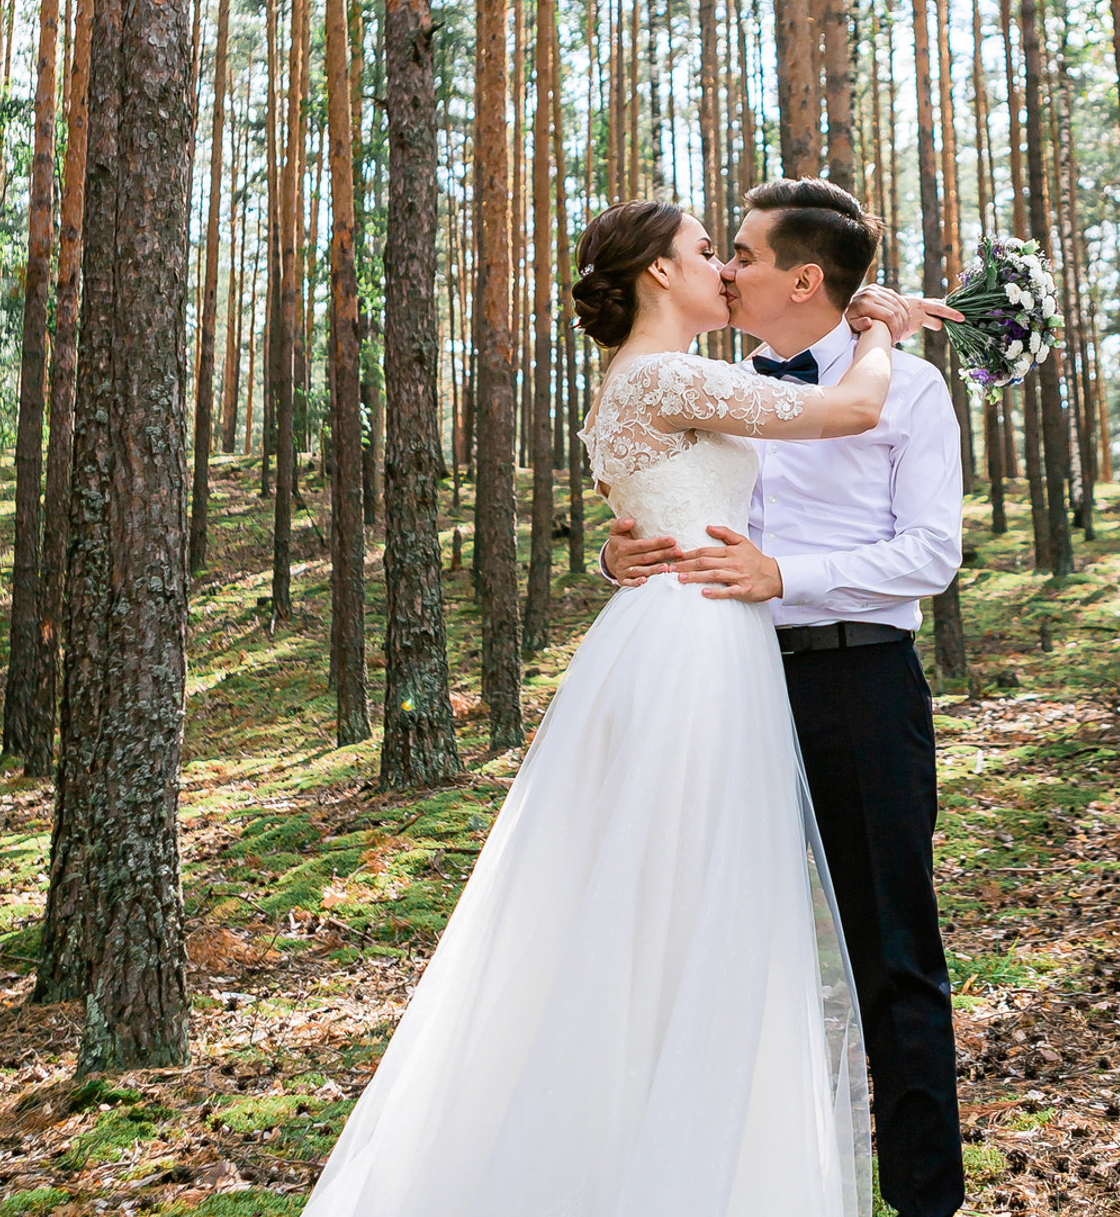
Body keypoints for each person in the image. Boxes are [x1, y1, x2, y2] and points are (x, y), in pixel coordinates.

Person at [304, 197, 894, 1217]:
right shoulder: (670, 375)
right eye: (707, 251)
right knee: (694, 900)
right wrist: (878, 334)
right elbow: (850, 411)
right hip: (698, 650)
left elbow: (673, 490)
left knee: (645, 899)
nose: (721, 265)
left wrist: (615, 548)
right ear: (660, 274)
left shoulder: (641, 383)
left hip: (662, 638)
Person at [603, 177, 966, 1217]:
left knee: (891, 950)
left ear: (802, 278)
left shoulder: (909, 389)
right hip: (724, 686)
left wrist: (786, 578)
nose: (726, 269)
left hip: (859, 685)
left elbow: (931, 554)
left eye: (747, 256)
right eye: (721, 253)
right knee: (722, 940)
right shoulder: (715, 384)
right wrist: (618, 555)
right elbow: (678, 509)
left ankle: (924, 1202)